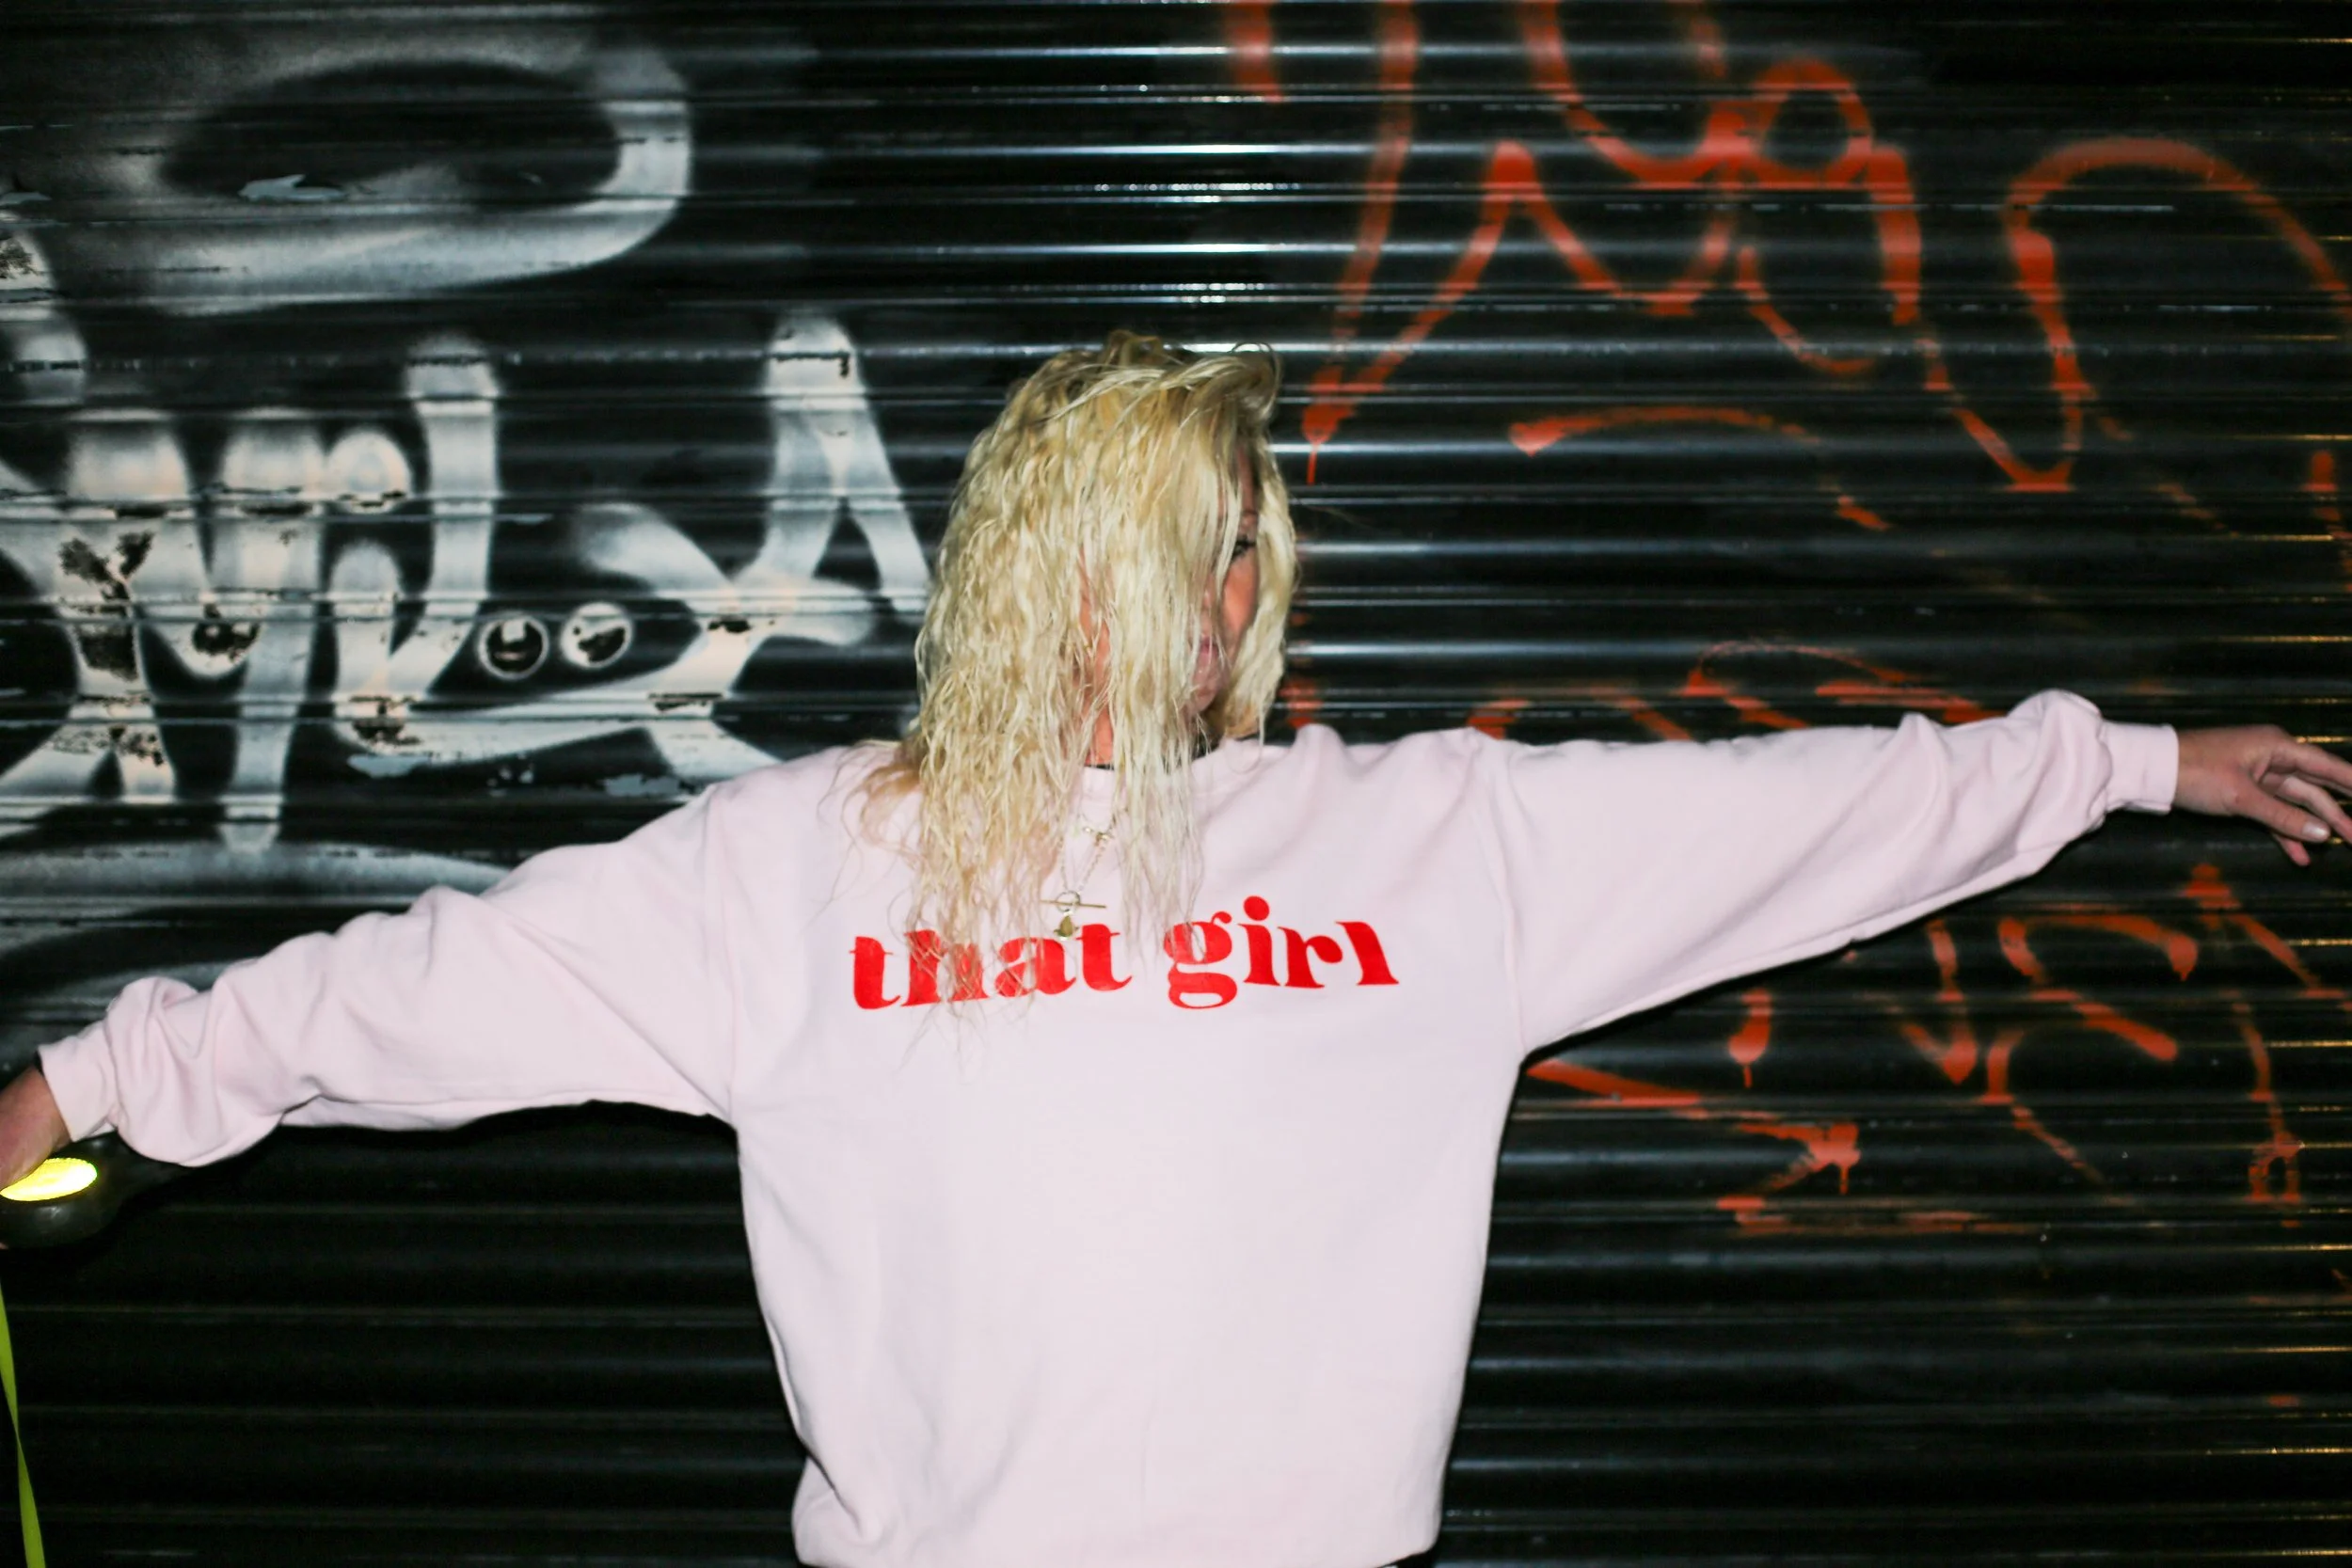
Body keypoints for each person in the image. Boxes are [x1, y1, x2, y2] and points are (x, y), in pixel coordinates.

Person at [0, 331, 2346, 1568]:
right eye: (1225, 547)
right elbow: (381, 995)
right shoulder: (801, 867)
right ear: (1145, 573)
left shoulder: (1426, 844)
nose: (1245, 596)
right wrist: (80, 1088)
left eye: (1251, 551)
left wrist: (2135, 757)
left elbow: (1824, 806)